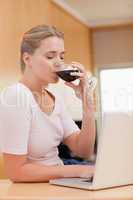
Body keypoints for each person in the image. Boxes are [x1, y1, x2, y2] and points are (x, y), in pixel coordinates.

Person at [0, 24, 96, 183]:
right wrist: (78, 170)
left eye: (62, 56)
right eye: (50, 56)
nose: (58, 63)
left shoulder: (55, 97)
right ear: (27, 59)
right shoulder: (16, 96)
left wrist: (88, 103)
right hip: (35, 189)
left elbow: (83, 149)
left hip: (58, 182)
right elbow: (15, 172)